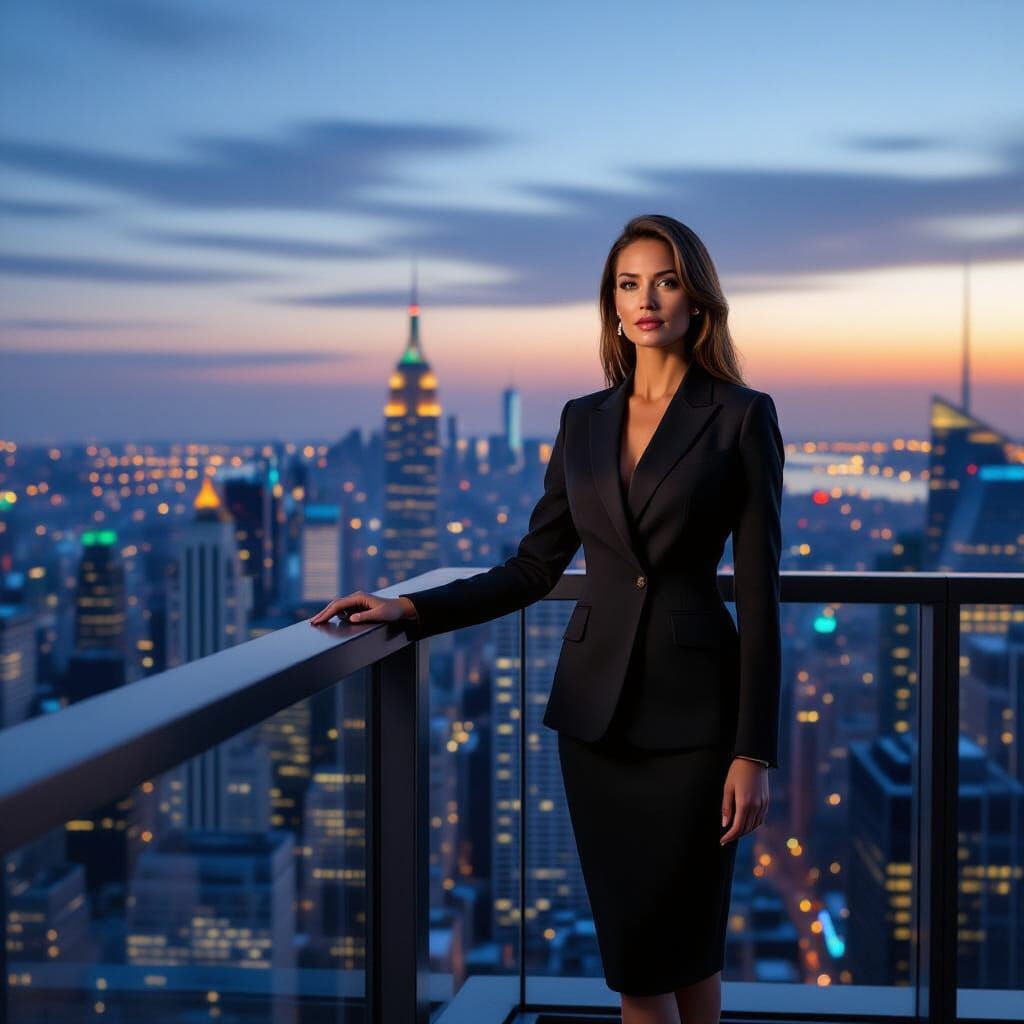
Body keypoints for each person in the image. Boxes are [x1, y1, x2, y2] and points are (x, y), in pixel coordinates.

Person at [311, 213, 784, 1024]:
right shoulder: (582, 420)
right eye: (629, 284)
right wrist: (410, 607)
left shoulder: (740, 415)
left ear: (698, 299)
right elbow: (534, 567)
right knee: (638, 961)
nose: (647, 300)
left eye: (666, 281)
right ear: (613, 304)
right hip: (595, 726)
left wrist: (755, 750)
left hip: (696, 726)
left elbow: (760, 593)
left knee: (686, 950)